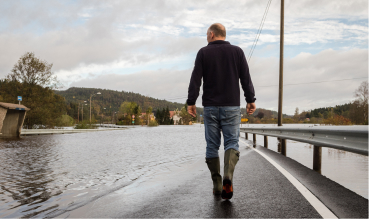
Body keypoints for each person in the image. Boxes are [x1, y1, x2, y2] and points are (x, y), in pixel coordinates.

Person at [186, 23, 256, 200]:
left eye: (206, 35)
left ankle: (217, 185)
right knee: (232, 142)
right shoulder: (237, 52)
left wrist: (191, 102)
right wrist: (250, 100)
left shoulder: (203, 52)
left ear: (211, 34)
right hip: (231, 106)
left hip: (209, 108)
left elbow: (195, 80)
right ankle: (228, 177)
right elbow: (245, 78)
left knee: (212, 146)